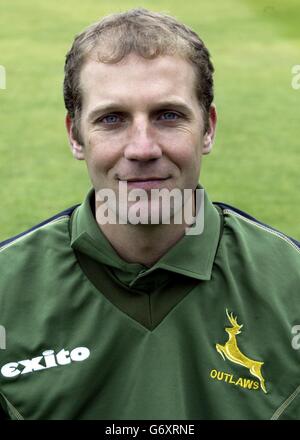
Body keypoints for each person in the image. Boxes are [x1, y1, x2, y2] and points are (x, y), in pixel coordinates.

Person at [0, 8, 299, 421]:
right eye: (112, 119)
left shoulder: (292, 286)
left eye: (168, 116)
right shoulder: (5, 290)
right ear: (75, 135)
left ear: (208, 129)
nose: (142, 148)